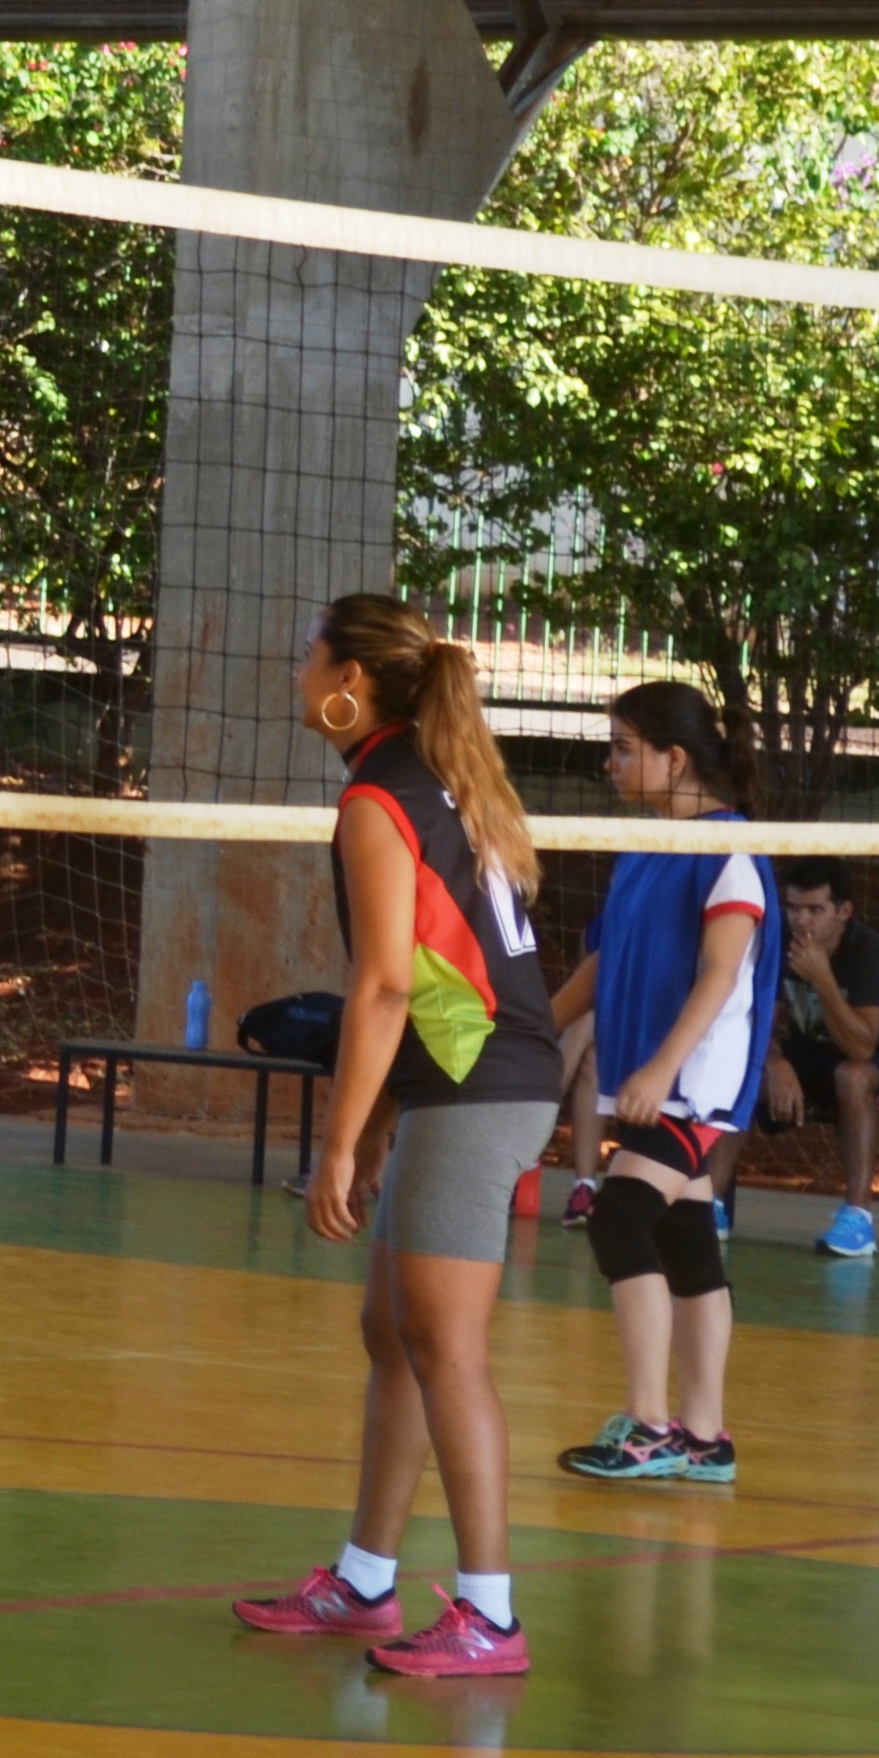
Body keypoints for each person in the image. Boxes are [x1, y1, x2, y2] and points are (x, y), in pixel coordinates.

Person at [228, 592, 559, 1677]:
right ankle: (367, 1579)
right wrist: (378, 1137)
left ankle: (489, 1615)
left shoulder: (382, 797)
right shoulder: (442, 778)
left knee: (447, 1349)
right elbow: (424, 979)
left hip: (478, 1086)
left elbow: (377, 987)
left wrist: (335, 1143)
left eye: (305, 658)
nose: (295, 676)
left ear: (350, 684)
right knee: (394, 1330)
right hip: (462, 1078)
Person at [551, 681, 780, 1489]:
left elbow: (722, 974)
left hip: (698, 1084)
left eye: (622, 747)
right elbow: (606, 959)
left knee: (619, 1219)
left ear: (673, 758)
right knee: (684, 1242)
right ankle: (706, 1438)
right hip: (662, 1080)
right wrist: (538, 1025)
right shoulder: (648, 847)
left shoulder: (731, 850)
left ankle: (650, 1428)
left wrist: (659, 1068)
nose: (608, 763)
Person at [763, 856, 879, 1259]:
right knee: (745, 1066)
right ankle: (712, 1209)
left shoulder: (868, 952)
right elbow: (756, 1023)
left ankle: (858, 1220)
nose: (802, 921)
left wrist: (823, 978)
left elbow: (862, 1048)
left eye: (815, 910)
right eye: (794, 908)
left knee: (852, 1075)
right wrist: (774, 1063)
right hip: (812, 1053)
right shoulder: (776, 943)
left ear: (843, 911)